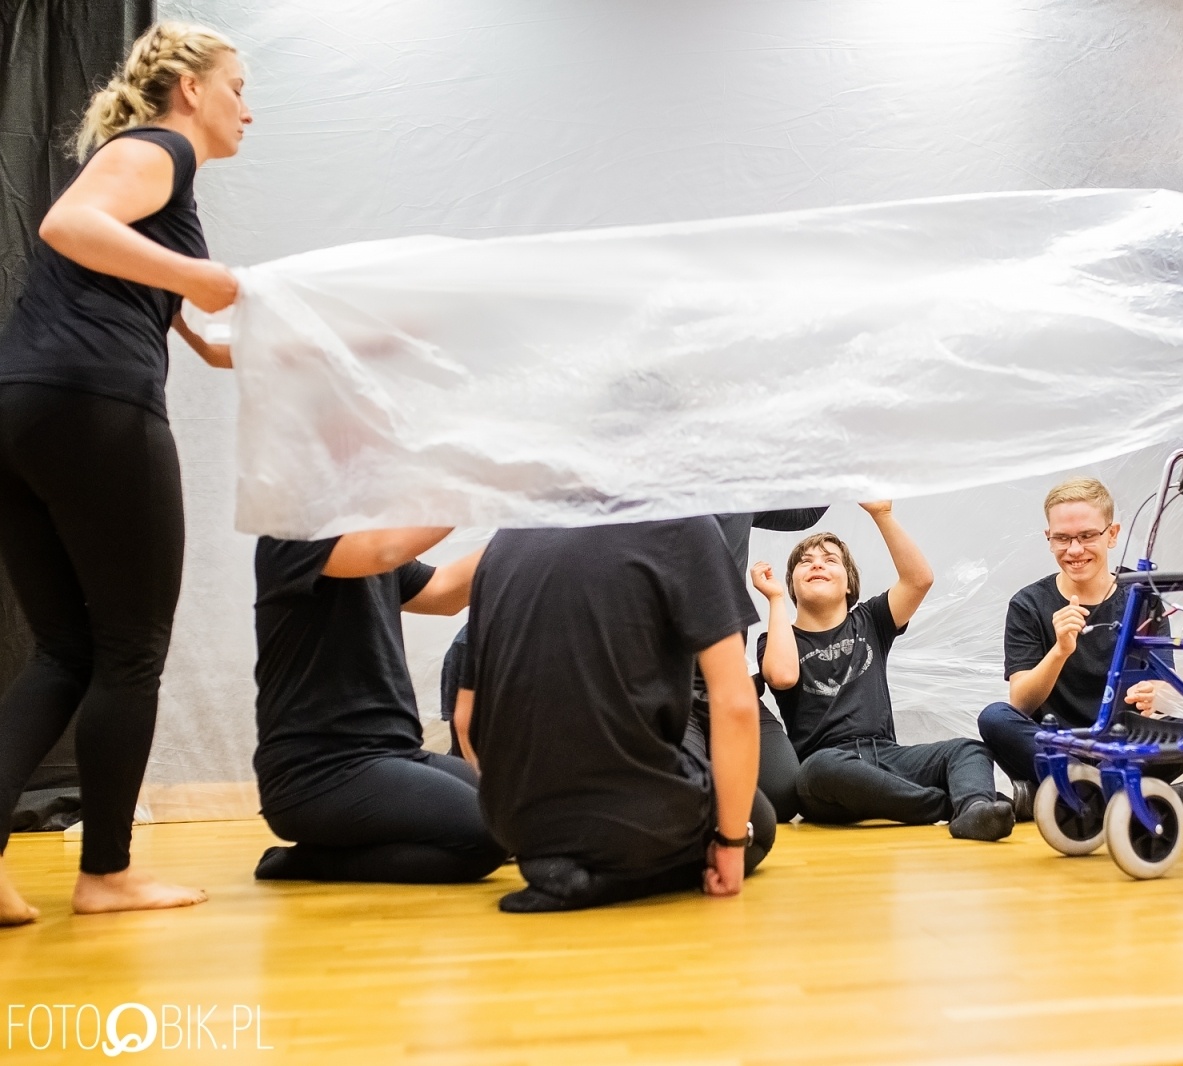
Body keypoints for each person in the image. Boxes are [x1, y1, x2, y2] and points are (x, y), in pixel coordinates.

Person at [0, 22, 247, 924]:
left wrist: (193, 317)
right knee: (132, 650)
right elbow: (67, 225)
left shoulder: (150, 171)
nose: (246, 110)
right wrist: (196, 275)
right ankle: (106, 872)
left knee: (68, 651)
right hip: (95, 406)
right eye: (235, 87)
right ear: (188, 88)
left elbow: (132, 282)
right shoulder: (158, 148)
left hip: (23, 406)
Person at [456, 518, 774, 913]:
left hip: (513, 823)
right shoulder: (681, 523)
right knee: (754, 823)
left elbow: (465, 719)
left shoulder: (505, 538)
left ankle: (560, 862)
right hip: (633, 815)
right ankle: (603, 877)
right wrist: (728, 849)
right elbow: (737, 703)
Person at [251, 529, 504, 884]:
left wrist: (522, 535)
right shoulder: (293, 535)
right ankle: (308, 863)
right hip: (318, 772)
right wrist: (472, 482)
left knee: (515, 812)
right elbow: (383, 550)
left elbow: (445, 592)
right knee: (484, 838)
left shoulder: (367, 546)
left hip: (396, 756)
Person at [757, 503, 1015, 841]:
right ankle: (948, 805)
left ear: (849, 584)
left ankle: (975, 810)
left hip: (888, 756)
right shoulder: (777, 638)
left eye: (830, 560)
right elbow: (782, 677)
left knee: (968, 748)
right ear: (792, 584)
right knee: (815, 771)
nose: (816, 563)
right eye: (805, 562)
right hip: (829, 772)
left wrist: (883, 516)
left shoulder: (870, 620)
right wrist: (775, 600)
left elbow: (919, 579)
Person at [976, 478, 1183, 822]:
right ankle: (1146, 799)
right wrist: (1060, 650)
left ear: (1111, 534)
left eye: (1087, 536)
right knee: (994, 718)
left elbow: (1165, 688)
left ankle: (1077, 799)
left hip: (1121, 747)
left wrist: (1159, 693)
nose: (1074, 549)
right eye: (1063, 538)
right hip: (1058, 747)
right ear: (1049, 539)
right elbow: (1021, 703)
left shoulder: (1141, 597)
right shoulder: (1028, 604)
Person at [706, 509, 828, 823]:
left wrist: (844, 462)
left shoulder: (738, 497)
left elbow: (804, 514)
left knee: (784, 796)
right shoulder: (650, 504)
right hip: (669, 685)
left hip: (731, 684)